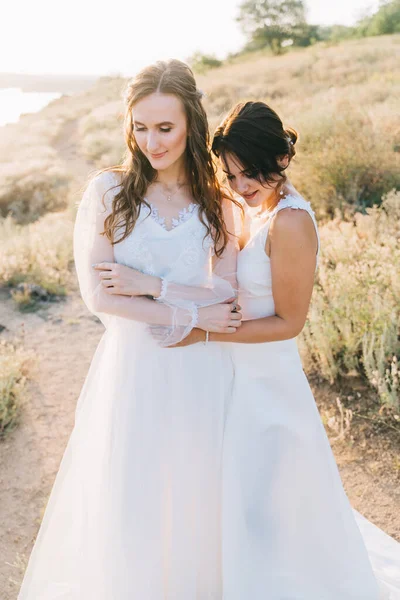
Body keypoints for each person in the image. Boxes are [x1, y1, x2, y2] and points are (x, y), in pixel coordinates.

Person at [17, 59, 242, 599]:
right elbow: (100, 296)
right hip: (133, 368)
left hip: (199, 366)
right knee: (134, 491)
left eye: (165, 127)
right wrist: (190, 311)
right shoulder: (109, 193)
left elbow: (227, 294)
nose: (151, 141)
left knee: (195, 489)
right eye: (140, 127)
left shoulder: (218, 200)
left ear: (192, 121)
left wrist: (151, 286)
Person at [171, 101, 400, 599]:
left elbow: (289, 322)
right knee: (239, 502)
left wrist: (205, 331)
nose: (240, 185)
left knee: (273, 502)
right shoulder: (253, 205)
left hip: (267, 383)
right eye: (229, 173)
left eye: (249, 172)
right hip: (233, 375)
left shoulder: (291, 222)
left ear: (282, 158)